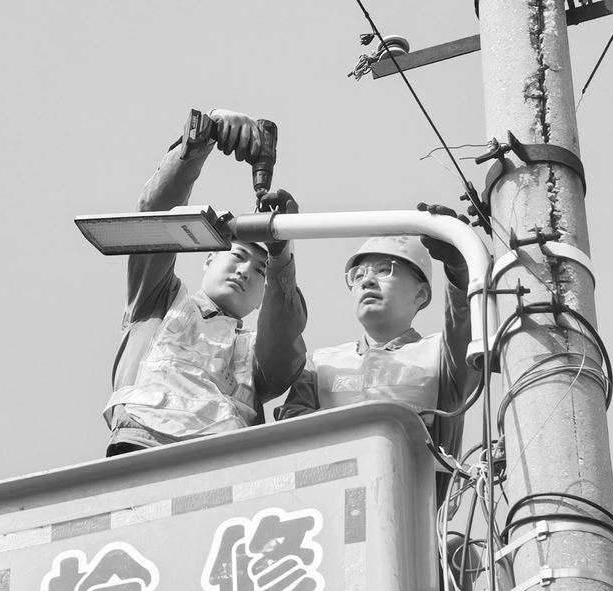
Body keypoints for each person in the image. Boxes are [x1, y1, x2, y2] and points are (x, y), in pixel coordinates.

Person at [103, 109, 307, 457]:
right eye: (238, 255)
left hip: (223, 468)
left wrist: (281, 255)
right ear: (209, 257)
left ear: (263, 297)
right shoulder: (157, 302)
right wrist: (200, 140)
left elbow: (284, 340)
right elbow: (157, 218)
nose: (245, 271)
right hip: (140, 448)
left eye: (261, 271)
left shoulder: (255, 352)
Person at [275, 231, 479, 461]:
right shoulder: (320, 365)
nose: (367, 281)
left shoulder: (440, 356)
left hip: (418, 485)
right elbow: (290, 429)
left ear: (420, 293)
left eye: (383, 270)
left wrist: (458, 269)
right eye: (358, 275)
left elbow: (464, 324)